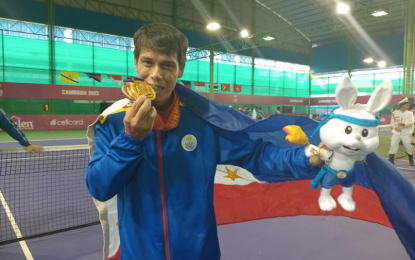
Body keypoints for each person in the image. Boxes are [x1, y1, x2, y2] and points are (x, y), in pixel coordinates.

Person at [86, 23, 324, 260]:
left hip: (198, 252)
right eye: (148, 62)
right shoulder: (113, 122)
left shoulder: (203, 120)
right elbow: (100, 187)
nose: (156, 74)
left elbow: (257, 154)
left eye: (167, 64)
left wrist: (308, 157)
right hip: (140, 253)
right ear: (136, 62)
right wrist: (131, 139)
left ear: (180, 69)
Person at [388, 97, 414, 166]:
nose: (408, 106)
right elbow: (392, 123)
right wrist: (395, 128)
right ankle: (391, 161)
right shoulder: (395, 113)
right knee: (393, 146)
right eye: (406, 105)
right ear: (402, 105)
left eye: (408, 105)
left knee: (408, 147)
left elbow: (412, 122)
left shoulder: (410, 113)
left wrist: (404, 124)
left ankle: (411, 160)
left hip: (406, 133)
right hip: (396, 133)